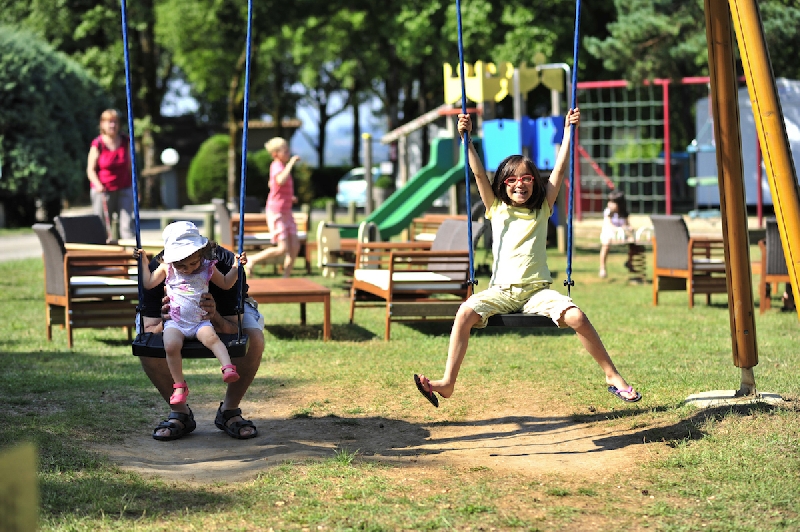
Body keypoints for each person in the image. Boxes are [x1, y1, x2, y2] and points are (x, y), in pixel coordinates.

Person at [413, 108, 641, 408]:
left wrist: (568, 133)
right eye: (512, 179)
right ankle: (447, 382)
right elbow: (478, 173)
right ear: (502, 184)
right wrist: (466, 139)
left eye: (526, 178)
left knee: (577, 316)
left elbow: (559, 171)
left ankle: (612, 375)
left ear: (535, 182)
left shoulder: (542, 208)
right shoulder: (496, 208)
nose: (519, 184)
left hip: (537, 292)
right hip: (501, 291)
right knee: (464, 313)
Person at [138, 222, 265, 441]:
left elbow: (234, 328)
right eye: (181, 264)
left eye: (192, 262)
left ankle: (229, 410)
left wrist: (214, 316)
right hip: (174, 321)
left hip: (212, 319)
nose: (187, 269)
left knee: (253, 338)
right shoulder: (162, 267)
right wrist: (165, 321)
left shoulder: (221, 264)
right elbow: (149, 329)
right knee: (149, 344)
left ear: (201, 253)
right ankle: (180, 412)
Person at [245, 137, 301, 278]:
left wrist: (289, 198)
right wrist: (291, 163)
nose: (288, 153)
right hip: (277, 212)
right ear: (275, 154)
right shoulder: (277, 165)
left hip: (286, 211)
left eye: (288, 150)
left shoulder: (280, 167)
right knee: (282, 248)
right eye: (285, 151)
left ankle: (286, 276)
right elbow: (280, 180)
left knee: (295, 246)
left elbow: (273, 185)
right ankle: (252, 259)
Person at [86, 109, 135, 240]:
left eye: (115, 122)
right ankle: (103, 250)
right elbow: (90, 170)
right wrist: (98, 185)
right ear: (102, 124)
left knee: (127, 225)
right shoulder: (98, 143)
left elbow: (131, 167)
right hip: (103, 191)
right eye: (109, 122)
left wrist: (136, 188)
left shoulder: (125, 141)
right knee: (102, 226)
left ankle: (131, 251)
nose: (112, 125)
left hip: (124, 188)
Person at [598, 189, 634, 278]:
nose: (609, 204)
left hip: (620, 235)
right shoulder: (608, 212)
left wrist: (629, 228)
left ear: (620, 204)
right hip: (609, 233)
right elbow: (608, 224)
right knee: (606, 244)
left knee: (633, 241)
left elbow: (626, 224)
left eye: (612, 202)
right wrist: (618, 229)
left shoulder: (624, 213)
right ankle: (602, 267)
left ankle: (630, 261)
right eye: (609, 202)